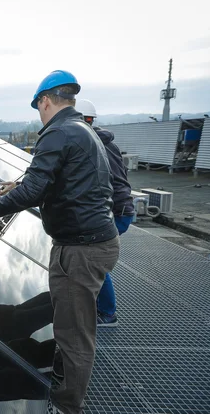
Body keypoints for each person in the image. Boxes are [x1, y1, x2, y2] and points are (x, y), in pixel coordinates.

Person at [0, 70, 120, 414]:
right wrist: (15, 189)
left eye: (38, 107)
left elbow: (35, 189)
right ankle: (64, 381)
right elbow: (50, 183)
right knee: (69, 324)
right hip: (93, 242)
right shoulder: (83, 131)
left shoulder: (58, 132)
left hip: (81, 248)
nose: (40, 114)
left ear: (45, 101)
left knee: (74, 335)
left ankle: (65, 405)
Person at [76, 99, 135, 327]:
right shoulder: (104, 142)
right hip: (120, 210)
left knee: (93, 260)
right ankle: (99, 306)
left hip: (116, 213)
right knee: (91, 258)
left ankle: (108, 314)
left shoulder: (95, 147)